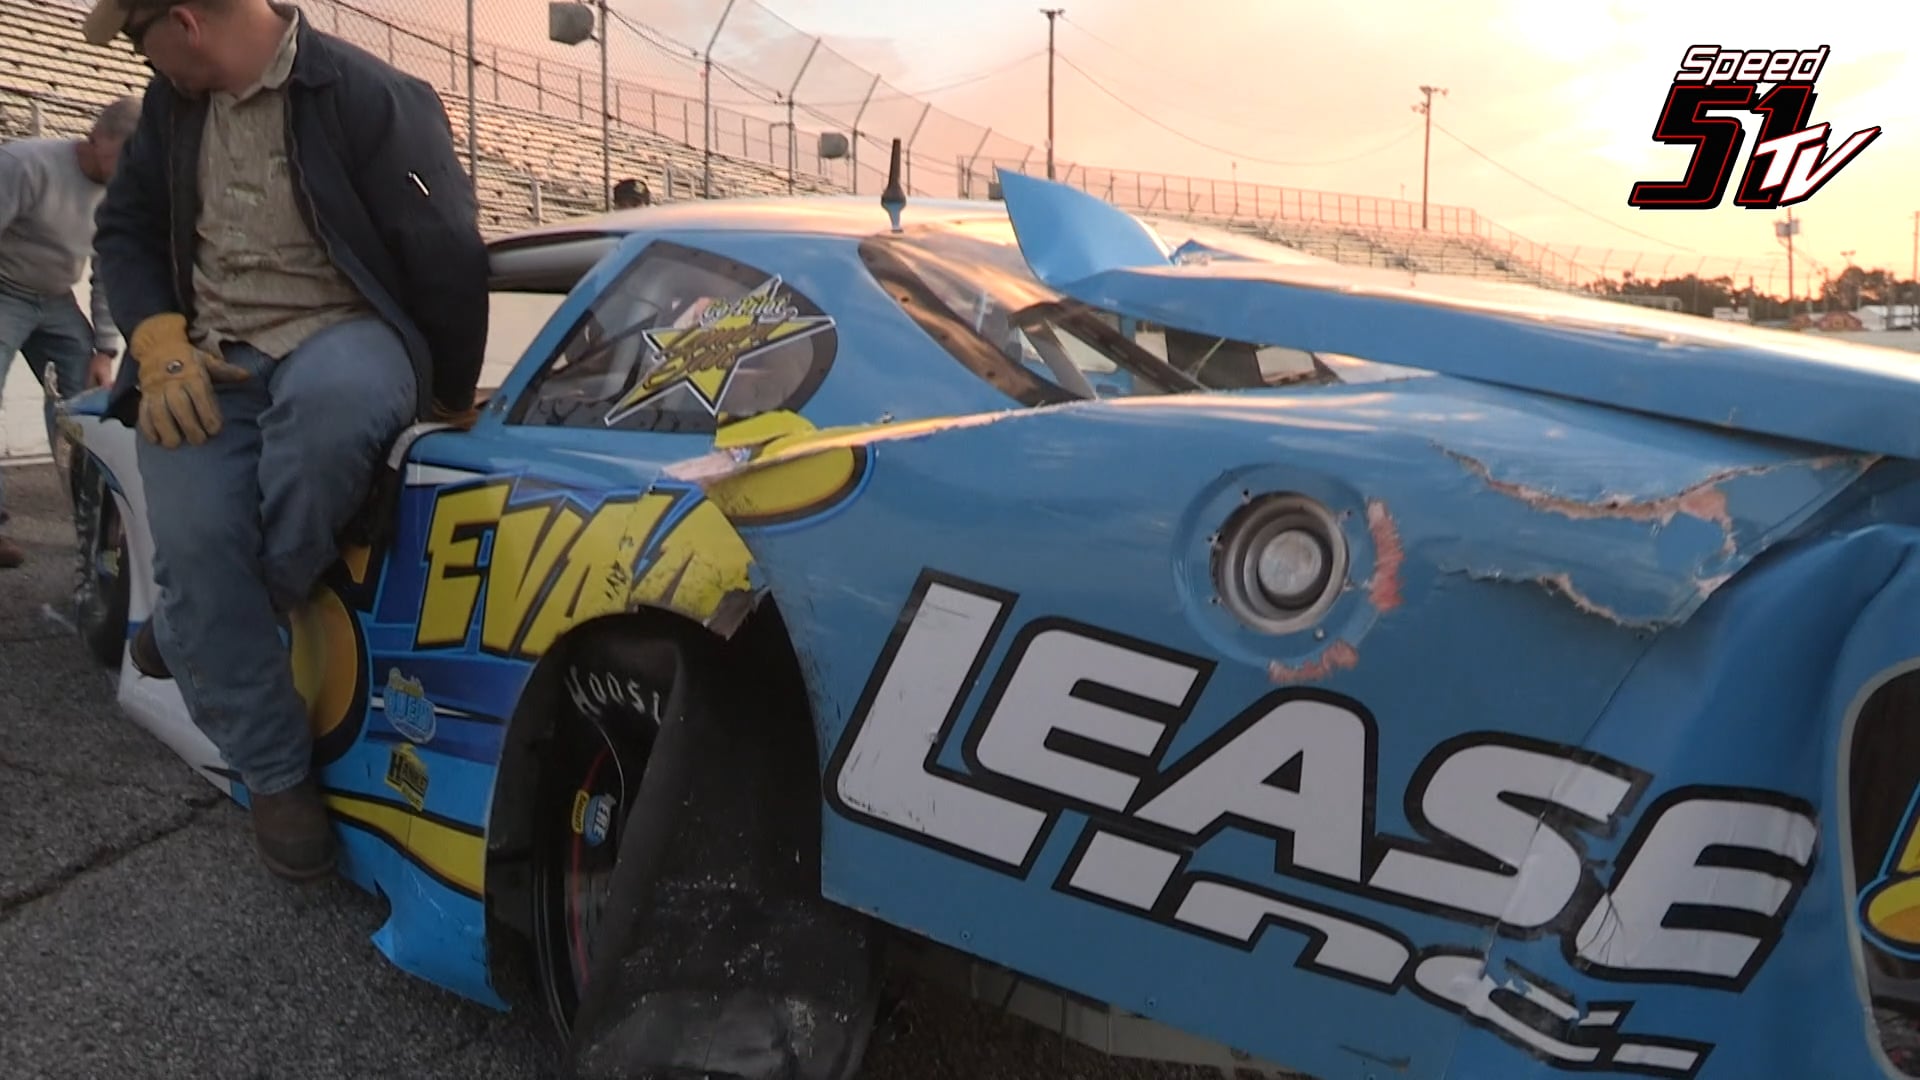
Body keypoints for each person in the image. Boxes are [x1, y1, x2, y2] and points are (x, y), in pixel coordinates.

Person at [82, 0, 490, 882]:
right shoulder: (168, 106)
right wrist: (154, 337)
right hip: (207, 357)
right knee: (193, 545)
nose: (139, 59)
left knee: (333, 415)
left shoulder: (375, 94)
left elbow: (448, 247)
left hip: (347, 333)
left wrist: (453, 394)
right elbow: (123, 230)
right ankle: (275, 773)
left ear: (183, 23)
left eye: (139, 39)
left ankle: (195, 631)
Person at [0, 96, 143, 569]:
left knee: (85, 400)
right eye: (121, 156)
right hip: (4, 287)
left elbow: (108, 270)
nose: (126, 171)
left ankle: (94, 527)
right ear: (95, 136)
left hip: (57, 298)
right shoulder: (24, 165)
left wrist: (104, 348)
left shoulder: (122, 191)